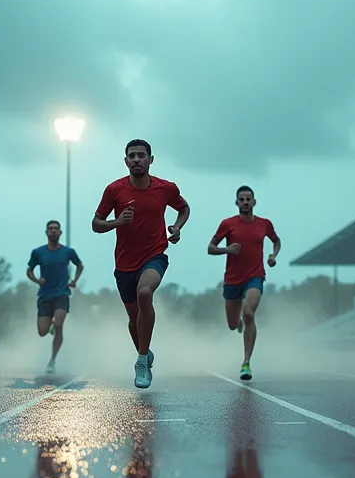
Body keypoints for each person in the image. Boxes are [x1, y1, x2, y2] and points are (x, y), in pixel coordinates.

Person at [93, 139, 190, 389]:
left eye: (141, 155)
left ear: (150, 160)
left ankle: (140, 362)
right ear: (126, 161)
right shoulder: (114, 190)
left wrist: (177, 228)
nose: (136, 159)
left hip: (155, 255)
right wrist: (117, 222)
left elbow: (184, 208)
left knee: (145, 293)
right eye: (132, 156)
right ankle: (145, 352)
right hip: (125, 264)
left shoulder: (165, 188)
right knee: (134, 321)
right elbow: (96, 224)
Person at [208, 186, 280, 381]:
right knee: (232, 325)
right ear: (237, 203)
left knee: (249, 313)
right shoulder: (228, 224)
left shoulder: (264, 224)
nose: (245, 202)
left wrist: (273, 255)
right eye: (242, 199)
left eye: (248, 199)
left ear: (254, 202)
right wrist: (227, 250)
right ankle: (238, 322)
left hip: (255, 276)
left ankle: (246, 362)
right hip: (232, 279)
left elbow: (276, 240)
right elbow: (210, 248)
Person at [26, 220, 84, 373]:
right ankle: (50, 325)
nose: (53, 231)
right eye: (50, 229)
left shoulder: (68, 252)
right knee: (42, 332)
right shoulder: (38, 252)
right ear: (46, 233)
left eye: (56, 229)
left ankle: (52, 361)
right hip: (45, 296)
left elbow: (80, 265)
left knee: (59, 324)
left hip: (62, 294)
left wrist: (74, 281)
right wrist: (37, 280)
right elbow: (29, 270)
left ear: (60, 233)